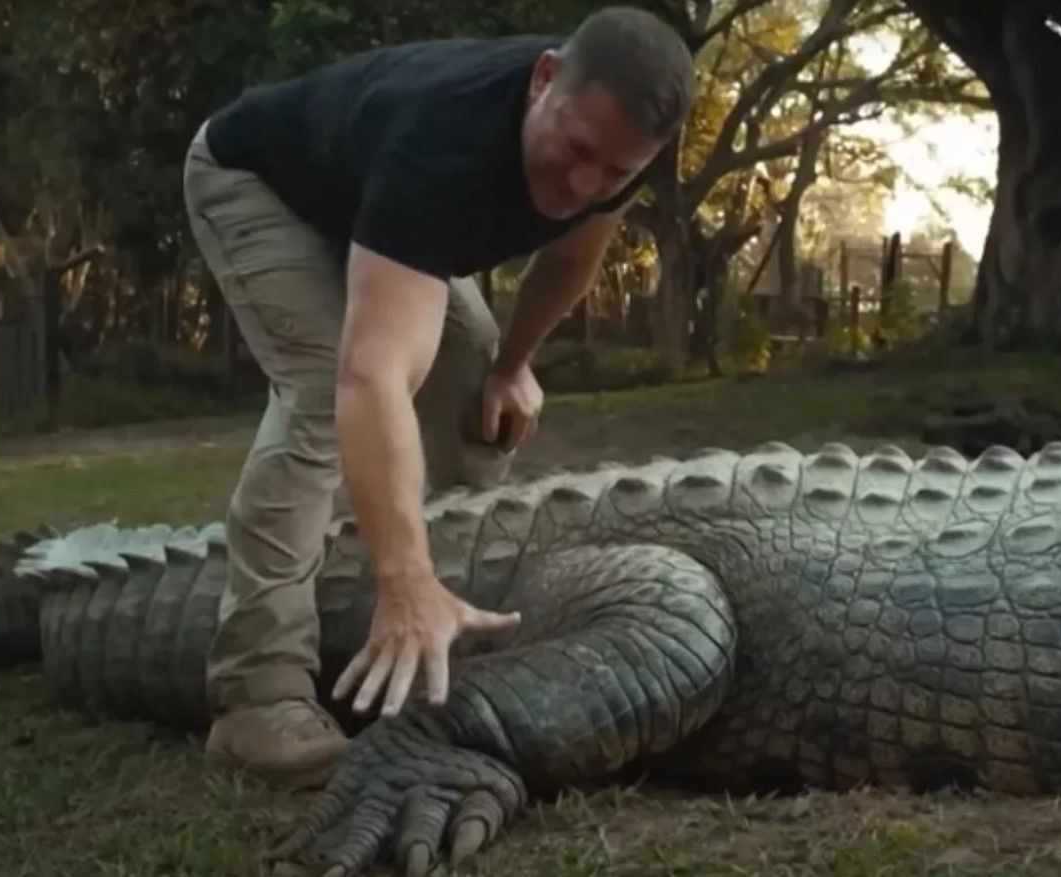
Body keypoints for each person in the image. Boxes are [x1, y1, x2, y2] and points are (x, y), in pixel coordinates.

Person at [181, 5, 696, 790]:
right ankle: (257, 693)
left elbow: (565, 265)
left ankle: (434, 612)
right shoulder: (441, 139)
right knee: (325, 390)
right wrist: (401, 573)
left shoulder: (615, 146)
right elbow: (372, 377)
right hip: (259, 183)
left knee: (475, 391)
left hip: (364, 199)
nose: (585, 184)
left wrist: (510, 366)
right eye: (577, 151)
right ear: (544, 80)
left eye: (616, 172)